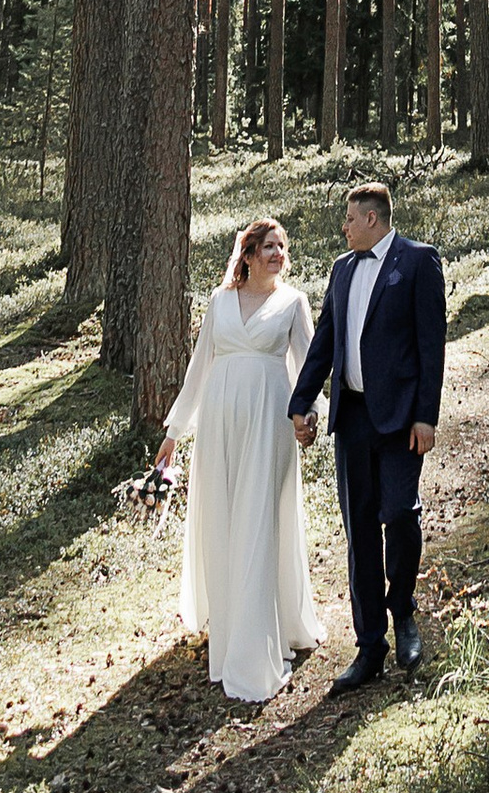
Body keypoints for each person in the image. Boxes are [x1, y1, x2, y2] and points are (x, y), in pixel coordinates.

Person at [155, 218, 324, 705]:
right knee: (226, 522)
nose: (278, 254)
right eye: (269, 247)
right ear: (247, 255)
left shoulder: (293, 303)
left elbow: (308, 368)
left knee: (260, 523)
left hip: (270, 428)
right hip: (219, 431)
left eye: (282, 247)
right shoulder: (219, 302)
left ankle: (258, 647)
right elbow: (199, 366)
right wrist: (174, 432)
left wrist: (308, 417)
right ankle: (230, 634)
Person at [289, 177, 445, 690]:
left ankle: (402, 611)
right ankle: (369, 645)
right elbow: (326, 340)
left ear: (372, 219)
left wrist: (427, 415)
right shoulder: (341, 269)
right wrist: (302, 401)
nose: (344, 226)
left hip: (401, 420)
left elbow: (431, 344)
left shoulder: (418, 261)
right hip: (352, 418)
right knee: (358, 532)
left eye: (350, 218)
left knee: (400, 513)